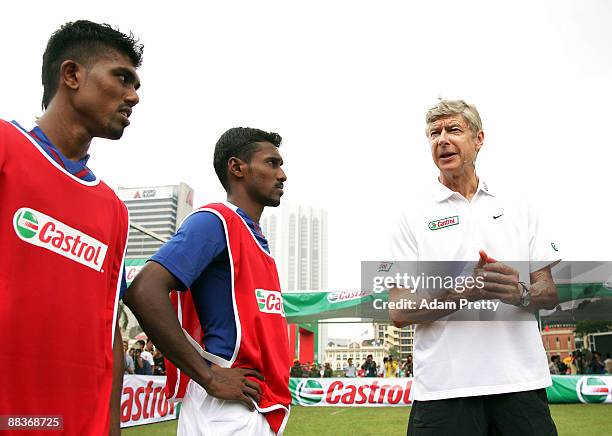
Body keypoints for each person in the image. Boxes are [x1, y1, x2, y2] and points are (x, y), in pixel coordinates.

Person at [0, 20, 142, 436]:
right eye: (122, 77)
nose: (133, 96)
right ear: (72, 75)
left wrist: (111, 426)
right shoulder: (8, 147)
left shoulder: (113, 208)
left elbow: (108, 327)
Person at [389, 100, 560, 435]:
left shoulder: (518, 204)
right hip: (444, 391)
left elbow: (550, 291)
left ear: (479, 138)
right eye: (434, 133)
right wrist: (461, 293)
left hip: (520, 385)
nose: (442, 139)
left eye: (453, 130)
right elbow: (399, 309)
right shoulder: (411, 214)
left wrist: (521, 293)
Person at [125, 127, 291, 435]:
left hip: (253, 401)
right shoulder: (215, 220)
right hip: (225, 406)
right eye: (271, 163)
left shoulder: (252, 236)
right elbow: (144, 290)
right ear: (237, 167)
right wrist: (208, 376)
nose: (282, 174)